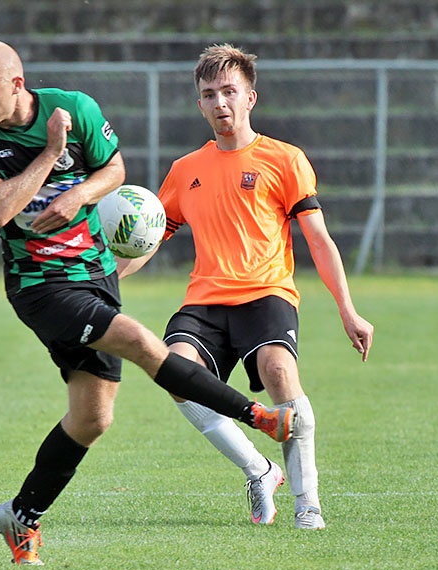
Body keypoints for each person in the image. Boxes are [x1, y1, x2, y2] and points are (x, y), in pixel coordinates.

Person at [0, 40, 294, 566]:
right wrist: (49, 153)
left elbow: (114, 171)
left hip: (96, 275)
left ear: (17, 84)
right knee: (138, 339)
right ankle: (258, 417)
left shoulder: (77, 107)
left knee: (92, 417)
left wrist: (80, 195)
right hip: (40, 286)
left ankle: (21, 518)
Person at [117, 44, 374, 530]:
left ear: (250, 97)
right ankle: (259, 469)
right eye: (209, 94)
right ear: (199, 104)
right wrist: (107, 277)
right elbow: (150, 239)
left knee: (279, 370)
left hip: (267, 293)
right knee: (173, 371)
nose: (220, 103)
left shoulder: (285, 159)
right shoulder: (185, 170)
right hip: (206, 300)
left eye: (229, 92)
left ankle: (308, 505)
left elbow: (318, 241)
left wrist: (348, 310)